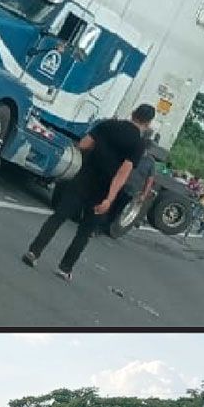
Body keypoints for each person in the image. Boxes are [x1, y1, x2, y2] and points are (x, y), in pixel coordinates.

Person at [22, 104, 156, 280]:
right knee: (84, 232)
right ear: (148, 123)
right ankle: (65, 267)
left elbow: (84, 144)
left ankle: (34, 251)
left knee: (59, 216)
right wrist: (109, 198)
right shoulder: (137, 144)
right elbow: (122, 173)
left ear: (133, 113)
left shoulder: (108, 125)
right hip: (103, 190)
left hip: (83, 179)